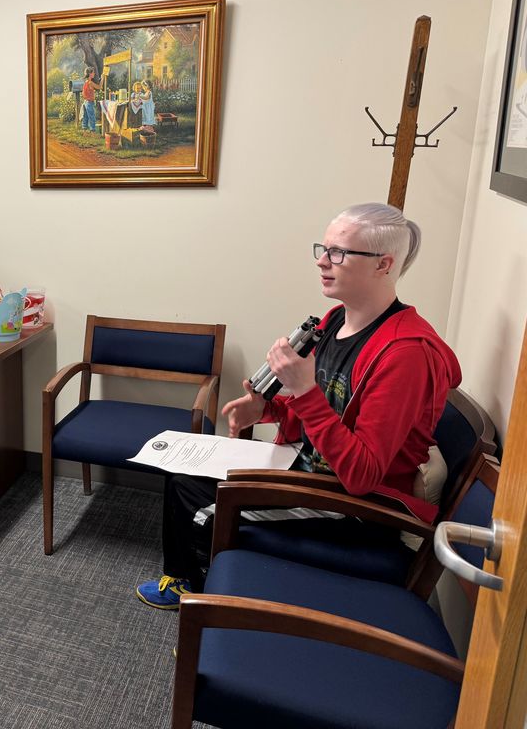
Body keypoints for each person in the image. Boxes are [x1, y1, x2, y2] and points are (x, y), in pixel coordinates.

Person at [136, 202, 461, 609]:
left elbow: (361, 474)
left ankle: (210, 614)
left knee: (204, 510)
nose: (323, 262)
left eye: (338, 253)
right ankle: (187, 583)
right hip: (308, 468)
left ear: (384, 264)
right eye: (321, 249)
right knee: (183, 474)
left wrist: (303, 392)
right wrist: (268, 410)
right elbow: (332, 411)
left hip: (355, 506)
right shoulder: (334, 322)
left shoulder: (405, 355)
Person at [81, 67, 102, 133]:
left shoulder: (86, 82)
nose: (94, 73)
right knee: (92, 117)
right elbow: (99, 87)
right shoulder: (90, 83)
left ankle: (84, 131)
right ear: (90, 74)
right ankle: (93, 132)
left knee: (86, 117)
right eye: (93, 72)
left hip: (85, 102)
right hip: (89, 102)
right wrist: (103, 78)